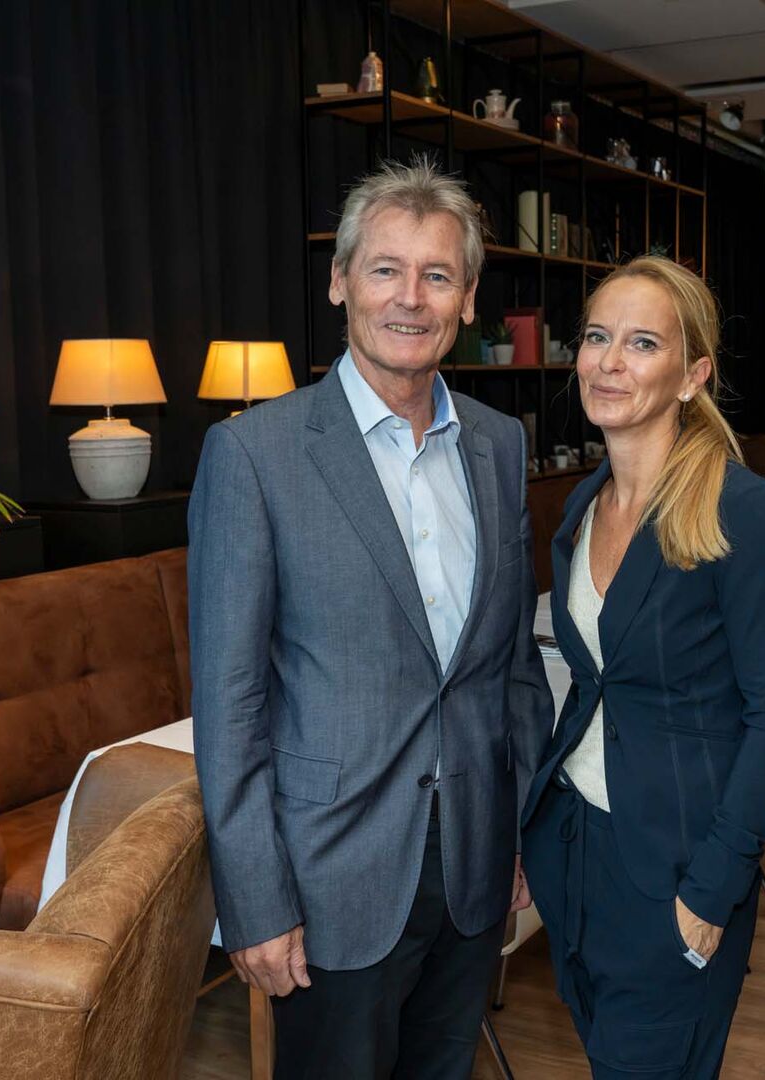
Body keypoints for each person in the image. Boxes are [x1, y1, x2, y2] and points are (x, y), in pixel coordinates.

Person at [188, 158, 553, 1079]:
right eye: (386, 269)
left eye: (438, 275)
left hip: (472, 866)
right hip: (328, 883)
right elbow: (229, 705)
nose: (410, 299)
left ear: (469, 299)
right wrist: (255, 900)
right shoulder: (254, 455)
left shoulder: (500, 446)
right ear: (340, 280)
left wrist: (519, 834)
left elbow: (510, 667)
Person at [520, 255, 765, 1078]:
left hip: (677, 867)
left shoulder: (737, 510)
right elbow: (594, 685)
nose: (609, 362)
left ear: (692, 376)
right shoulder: (583, 506)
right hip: (575, 849)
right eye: (596, 338)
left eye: (642, 343)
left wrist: (713, 887)